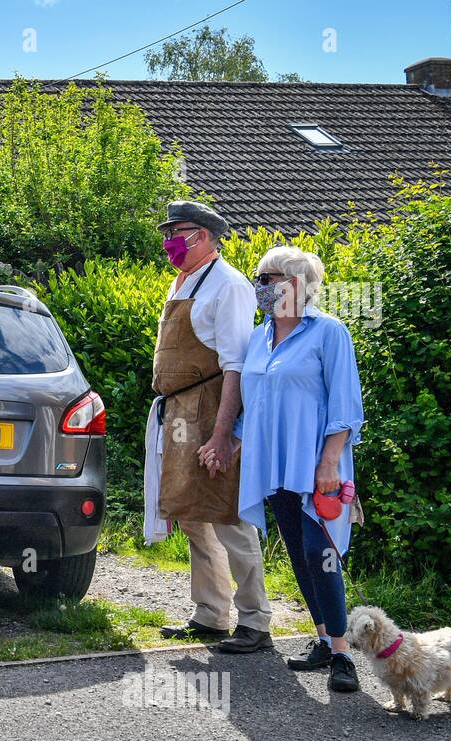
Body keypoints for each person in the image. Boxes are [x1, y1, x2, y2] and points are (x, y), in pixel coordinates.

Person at [233, 246, 365, 692]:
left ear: (294, 284)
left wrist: (329, 462)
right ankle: (324, 639)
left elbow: (346, 406)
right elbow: (253, 405)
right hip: (273, 464)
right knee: (296, 551)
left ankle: (344, 655)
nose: (259, 285)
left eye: (266, 277)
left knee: (319, 551)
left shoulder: (329, 332)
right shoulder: (257, 337)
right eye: (258, 278)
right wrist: (228, 444)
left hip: (316, 463)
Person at [143, 201, 273, 652]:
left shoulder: (230, 286)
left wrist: (223, 434)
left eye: (179, 232)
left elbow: (236, 367)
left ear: (206, 236)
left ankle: (256, 620)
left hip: (213, 408)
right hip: (179, 411)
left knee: (228, 515)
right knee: (192, 513)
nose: (170, 241)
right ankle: (211, 614)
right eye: (169, 232)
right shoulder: (182, 280)